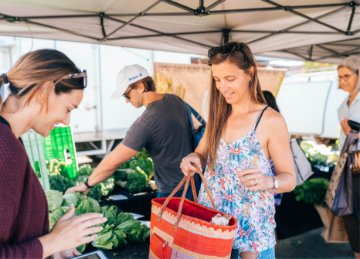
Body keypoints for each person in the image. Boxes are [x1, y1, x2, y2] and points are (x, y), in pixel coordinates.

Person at [180, 42, 296, 259]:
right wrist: (191, 159)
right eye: (217, 80)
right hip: (212, 228)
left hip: (251, 238)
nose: (222, 87)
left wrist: (269, 181)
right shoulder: (219, 116)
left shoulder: (271, 120)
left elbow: (290, 179)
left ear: (250, 73)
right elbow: (201, 155)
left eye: (230, 79)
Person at [0, 49, 106, 259]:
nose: (66, 121)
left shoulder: (11, 140)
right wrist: (52, 242)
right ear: (45, 91)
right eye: (68, 109)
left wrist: (52, 247)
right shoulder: (5, 149)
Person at [67, 64, 193, 198]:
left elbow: (113, 161)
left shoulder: (146, 122)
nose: (127, 101)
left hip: (173, 192)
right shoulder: (174, 100)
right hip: (195, 182)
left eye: (126, 95)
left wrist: (87, 184)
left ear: (140, 87)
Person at [337, 56, 360, 259]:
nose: (342, 80)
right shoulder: (343, 106)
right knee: (350, 215)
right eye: (340, 77)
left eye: (347, 76)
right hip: (348, 167)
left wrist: (353, 134)